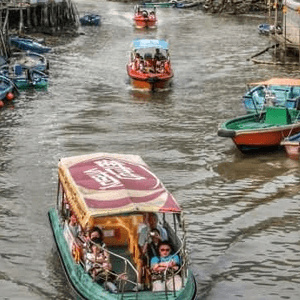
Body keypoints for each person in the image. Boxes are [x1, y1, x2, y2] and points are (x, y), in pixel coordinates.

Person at [136, 213, 168, 290]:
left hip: (160, 251)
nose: (152, 222)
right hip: (148, 251)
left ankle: (166, 278)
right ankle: (139, 283)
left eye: (154, 220)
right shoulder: (144, 231)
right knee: (140, 262)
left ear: (157, 220)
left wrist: (159, 238)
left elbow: (166, 244)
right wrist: (147, 240)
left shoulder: (162, 230)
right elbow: (140, 244)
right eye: (150, 220)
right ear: (148, 221)